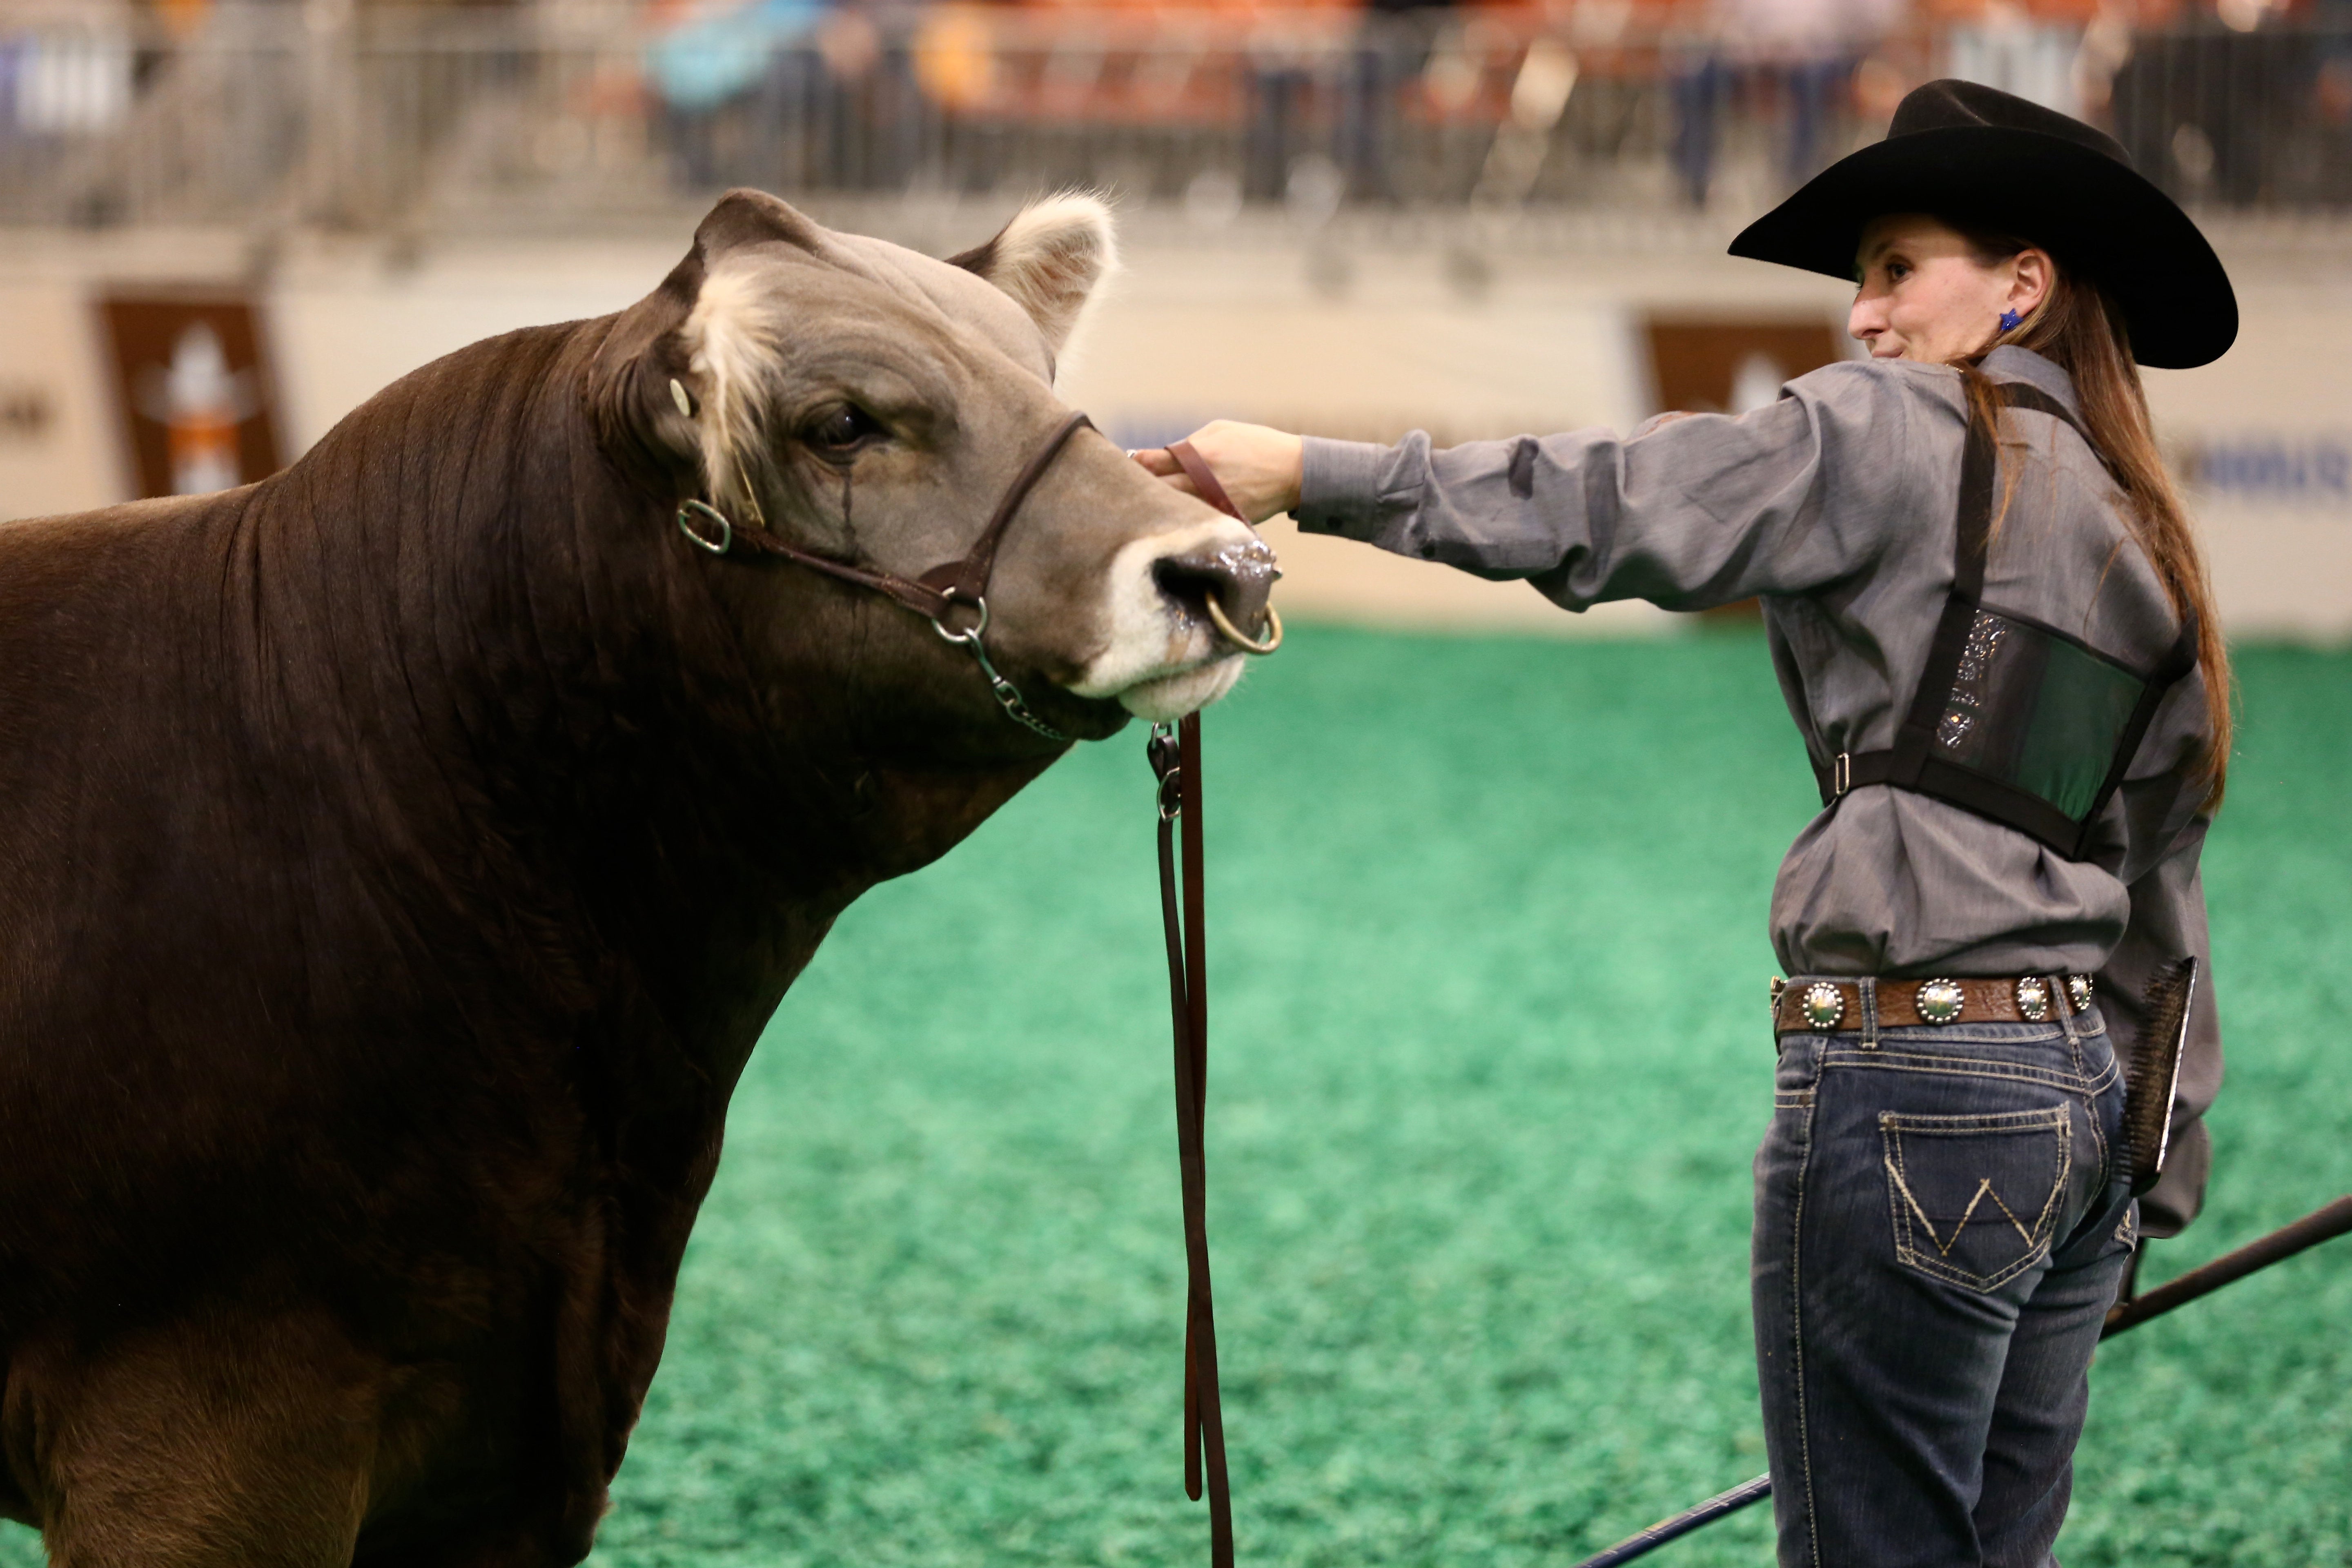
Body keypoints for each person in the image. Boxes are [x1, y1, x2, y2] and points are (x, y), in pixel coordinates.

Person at [1139, 79, 2232, 1566]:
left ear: (2022, 289)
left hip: (1912, 1067)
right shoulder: (2144, 530)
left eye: (1899, 268)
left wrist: (1309, 476)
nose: (1865, 317)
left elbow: (1616, 501)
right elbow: (2159, 897)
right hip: (2085, 1117)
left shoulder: (1895, 428)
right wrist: (2152, 1170)